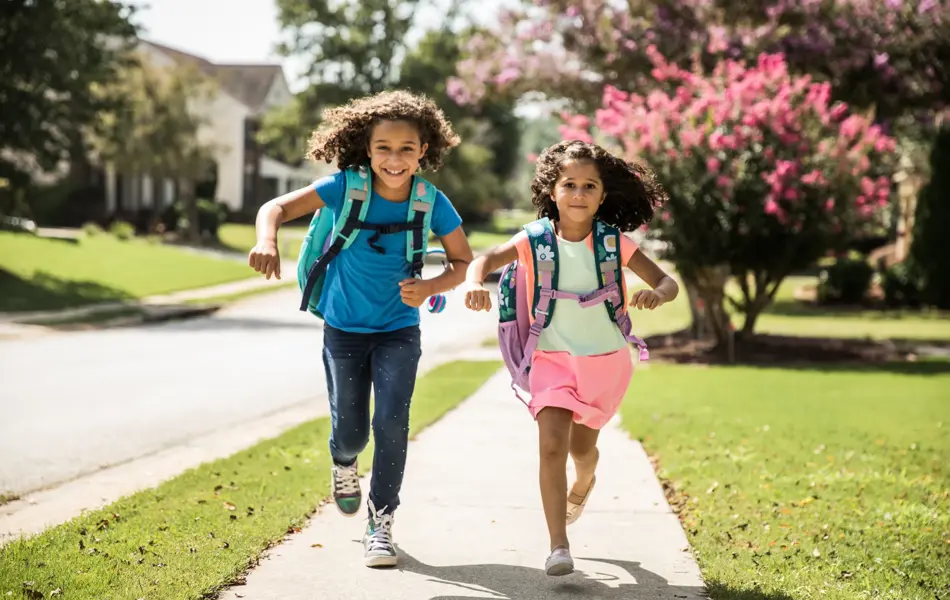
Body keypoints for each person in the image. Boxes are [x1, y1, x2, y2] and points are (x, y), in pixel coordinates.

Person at [248, 90, 474, 568]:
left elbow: (462, 262)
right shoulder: (344, 188)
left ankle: (381, 522)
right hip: (344, 329)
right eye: (383, 148)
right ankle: (343, 461)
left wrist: (431, 286)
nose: (395, 159)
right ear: (367, 150)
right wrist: (267, 239)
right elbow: (275, 208)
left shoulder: (430, 201)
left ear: (423, 151)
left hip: (399, 329)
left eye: (406, 148)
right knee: (351, 433)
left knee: (392, 421)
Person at [462, 140, 678, 575]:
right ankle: (558, 547)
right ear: (553, 191)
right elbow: (483, 261)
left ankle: (585, 480)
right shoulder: (534, 240)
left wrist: (657, 294)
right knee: (551, 447)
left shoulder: (614, 243)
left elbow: (667, 282)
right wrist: (473, 282)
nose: (579, 194)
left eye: (589, 186)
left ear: (602, 195)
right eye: (569, 185)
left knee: (583, 450)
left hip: (605, 362)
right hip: (551, 359)